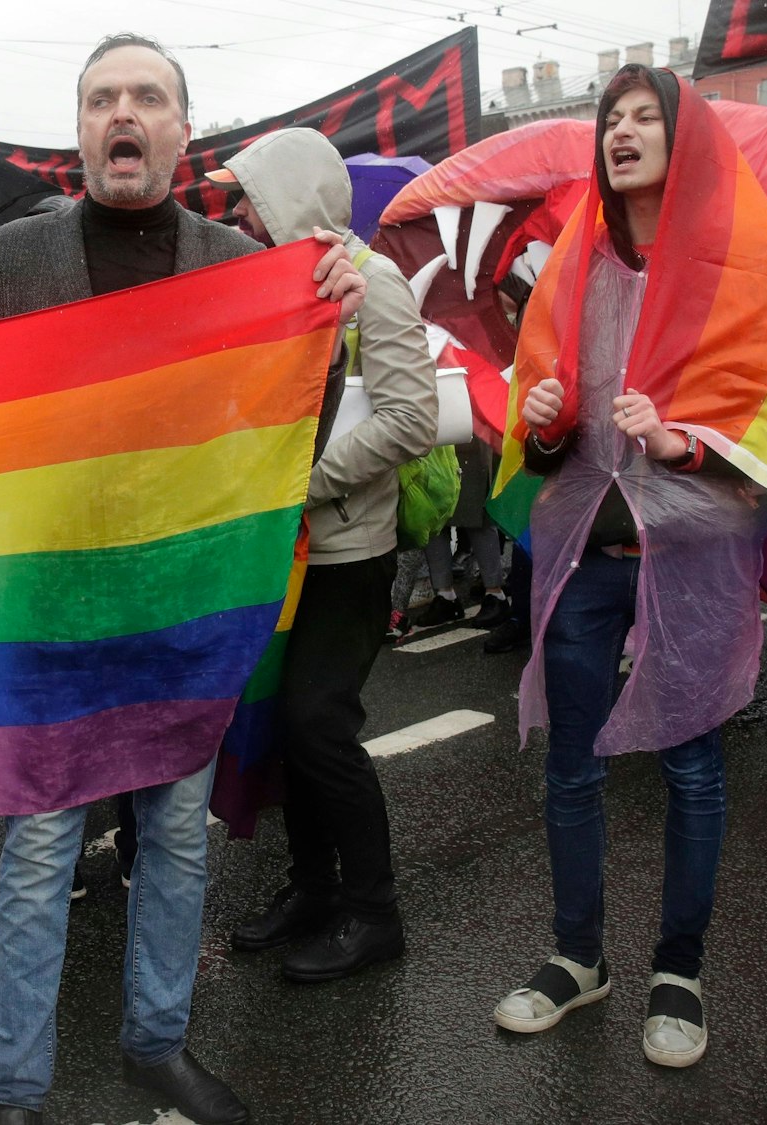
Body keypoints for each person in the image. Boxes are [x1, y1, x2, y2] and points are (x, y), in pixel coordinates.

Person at [0, 35, 365, 1125]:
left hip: (181, 612)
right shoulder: (15, 260)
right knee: (42, 846)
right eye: (99, 100)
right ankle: (15, 1090)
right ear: (79, 131)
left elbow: (282, 445)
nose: (119, 113)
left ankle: (155, 1043)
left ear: (181, 131)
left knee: (173, 841)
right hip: (52, 613)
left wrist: (327, 332)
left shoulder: (235, 262)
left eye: (143, 97)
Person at [488, 65, 767, 1070]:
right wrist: (542, 422)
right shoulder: (572, 266)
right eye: (610, 119)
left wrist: (684, 445)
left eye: (643, 117)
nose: (620, 132)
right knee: (570, 767)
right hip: (587, 552)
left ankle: (678, 970)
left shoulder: (748, 267)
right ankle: (576, 957)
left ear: (690, 141)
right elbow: (537, 426)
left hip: (694, 554)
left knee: (691, 768)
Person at [209, 127, 439, 982]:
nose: (239, 213)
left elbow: (412, 420)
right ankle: (312, 889)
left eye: (253, 196)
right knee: (285, 727)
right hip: (287, 552)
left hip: (349, 549)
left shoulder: (372, 286)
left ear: (294, 197)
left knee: (318, 723)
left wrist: (300, 482)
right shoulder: (278, 287)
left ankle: (376, 912)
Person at [413, 441, 510, 630]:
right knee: (434, 519)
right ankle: (445, 595)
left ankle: (495, 593)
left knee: (477, 517)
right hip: (432, 438)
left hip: (471, 432)